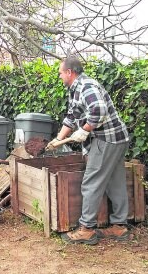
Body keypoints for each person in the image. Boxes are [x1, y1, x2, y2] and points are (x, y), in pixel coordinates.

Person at [46, 55, 131, 245]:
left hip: (106, 140)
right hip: (117, 139)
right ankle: (119, 226)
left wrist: (84, 131)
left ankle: (86, 229)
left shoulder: (86, 86)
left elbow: (98, 110)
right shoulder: (75, 89)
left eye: (60, 73)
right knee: (115, 181)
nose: (59, 76)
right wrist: (58, 139)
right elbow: (71, 117)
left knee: (91, 182)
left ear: (69, 72)